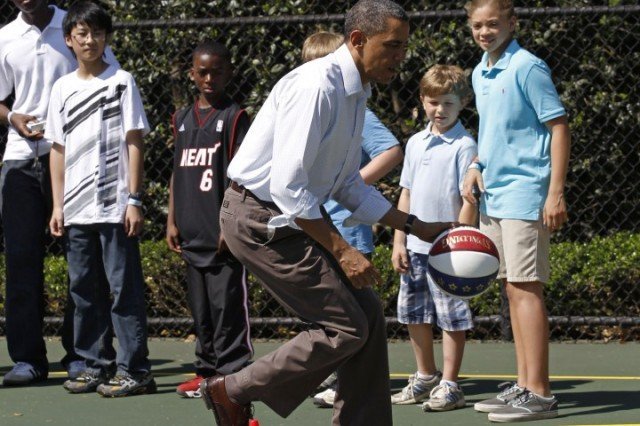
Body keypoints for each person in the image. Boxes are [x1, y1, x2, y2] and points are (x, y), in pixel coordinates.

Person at [200, 1, 454, 425]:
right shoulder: (317, 87)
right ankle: (230, 389)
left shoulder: (356, 90)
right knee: (346, 327)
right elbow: (286, 186)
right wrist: (342, 250)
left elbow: (347, 184)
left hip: (288, 216)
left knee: (368, 315)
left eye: (404, 46)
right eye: (392, 45)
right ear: (358, 40)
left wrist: (415, 225)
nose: (401, 56)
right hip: (261, 219)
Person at [462, 0, 571, 422]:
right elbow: (491, 135)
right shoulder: (480, 70)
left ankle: (541, 393)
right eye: (477, 25)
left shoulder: (528, 67)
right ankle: (525, 385)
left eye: (493, 24)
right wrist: (474, 166)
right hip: (494, 194)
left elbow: (558, 126)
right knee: (511, 288)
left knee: (526, 288)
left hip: (527, 192)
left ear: (512, 22)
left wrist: (554, 193)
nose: (485, 31)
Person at [0, 0, 116, 385]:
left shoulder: (76, 26)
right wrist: (12, 117)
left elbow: (110, 78)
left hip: (74, 162)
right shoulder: (6, 37)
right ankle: (28, 360)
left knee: (82, 261)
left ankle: (82, 355)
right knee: (20, 263)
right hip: (18, 162)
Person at [45, 0, 156, 397]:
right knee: (83, 292)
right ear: (69, 39)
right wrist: (58, 206)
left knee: (123, 289)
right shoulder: (61, 87)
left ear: (106, 37)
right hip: (75, 209)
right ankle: (94, 364)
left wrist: (134, 199)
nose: (89, 40)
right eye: (81, 33)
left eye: (96, 32)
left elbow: (134, 140)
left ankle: (136, 371)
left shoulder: (122, 81)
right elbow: (57, 149)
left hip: (114, 207)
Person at [301, 31, 405, 409]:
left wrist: (348, 185)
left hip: (346, 224)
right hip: (317, 222)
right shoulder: (317, 101)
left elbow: (391, 150)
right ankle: (341, 373)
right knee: (331, 306)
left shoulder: (357, 106)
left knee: (356, 308)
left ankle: (351, 381)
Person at [166, 40, 253, 399]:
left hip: (220, 235)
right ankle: (205, 372)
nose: (209, 78)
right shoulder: (181, 119)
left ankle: (233, 375)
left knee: (227, 308)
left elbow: (242, 176)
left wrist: (229, 224)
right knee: (201, 312)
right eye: (202, 71)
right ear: (191, 74)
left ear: (229, 73)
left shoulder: (235, 117)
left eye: (217, 71)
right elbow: (176, 172)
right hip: (190, 230)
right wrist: (172, 219)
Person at [390, 65, 477, 412]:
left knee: (451, 316)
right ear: (423, 102)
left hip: (449, 252)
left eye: (447, 104)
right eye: (432, 102)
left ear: (462, 104)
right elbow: (406, 194)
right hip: (414, 248)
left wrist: (458, 243)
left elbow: (468, 200)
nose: (439, 110)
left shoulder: (465, 145)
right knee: (415, 314)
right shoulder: (414, 143)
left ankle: (451, 384)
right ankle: (425, 376)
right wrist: (399, 240)